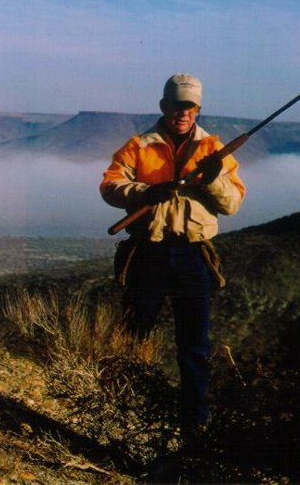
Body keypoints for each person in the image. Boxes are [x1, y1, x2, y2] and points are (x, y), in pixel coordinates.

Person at [99, 73, 245, 445]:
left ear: (197, 108)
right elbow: (110, 186)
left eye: (189, 106)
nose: (183, 112)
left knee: (194, 346)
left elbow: (232, 204)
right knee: (133, 336)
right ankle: (118, 415)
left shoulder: (214, 149)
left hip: (195, 256)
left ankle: (195, 427)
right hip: (148, 254)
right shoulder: (138, 146)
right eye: (176, 105)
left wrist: (213, 179)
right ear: (164, 106)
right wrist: (147, 191)